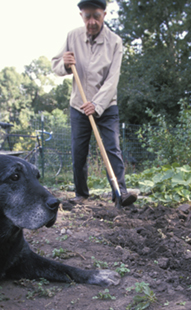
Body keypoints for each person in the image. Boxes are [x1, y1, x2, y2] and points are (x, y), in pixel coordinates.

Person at [52, 0, 137, 207]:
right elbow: (56, 65)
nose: (91, 21)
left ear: (104, 15)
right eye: (87, 16)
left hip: (106, 106)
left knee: (111, 148)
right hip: (79, 105)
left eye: (96, 16)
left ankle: (120, 193)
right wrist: (64, 63)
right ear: (81, 15)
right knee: (78, 151)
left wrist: (97, 104)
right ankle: (81, 193)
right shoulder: (73, 36)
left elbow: (112, 79)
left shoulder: (115, 42)